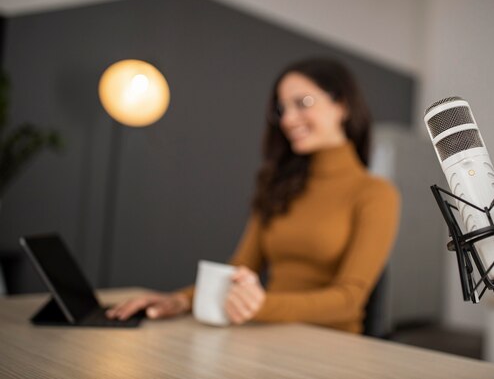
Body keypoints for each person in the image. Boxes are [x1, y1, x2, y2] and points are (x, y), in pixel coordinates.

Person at [107, 58, 400, 333]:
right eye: (281, 109)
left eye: (302, 103)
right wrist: (180, 300)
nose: (287, 119)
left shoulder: (375, 194)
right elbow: (239, 269)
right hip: (265, 332)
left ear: (343, 105)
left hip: (334, 347)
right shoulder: (279, 186)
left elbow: (349, 299)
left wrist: (262, 305)